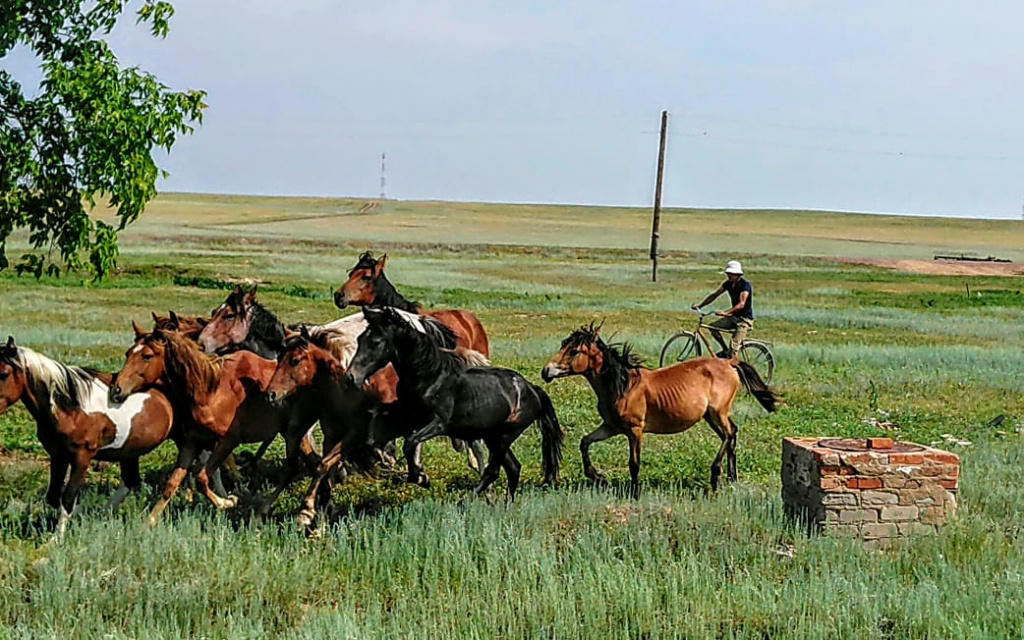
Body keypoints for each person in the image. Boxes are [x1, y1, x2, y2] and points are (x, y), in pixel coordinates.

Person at [691, 260, 754, 357]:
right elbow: (715, 295)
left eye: (731, 274)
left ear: (737, 274)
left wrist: (726, 313)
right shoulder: (728, 284)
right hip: (734, 317)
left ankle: (733, 364)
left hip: (744, 320)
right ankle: (725, 351)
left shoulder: (745, 285)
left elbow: (742, 304)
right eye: (728, 273)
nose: (728, 276)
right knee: (713, 328)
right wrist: (700, 306)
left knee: (734, 349)